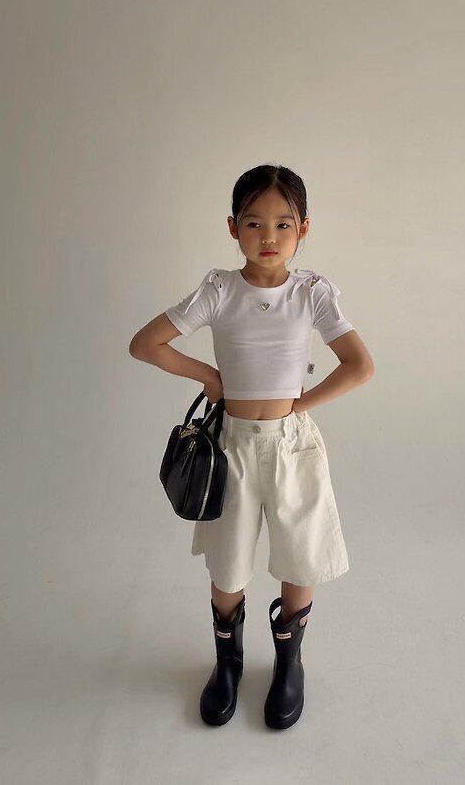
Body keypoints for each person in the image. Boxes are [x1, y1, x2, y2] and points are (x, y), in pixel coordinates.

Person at [129, 165, 374, 729]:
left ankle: (290, 664)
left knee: (301, 553)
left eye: (283, 224)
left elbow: (360, 365)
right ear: (233, 227)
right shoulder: (220, 290)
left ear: (303, 229)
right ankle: (228, 664)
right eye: (254, 223)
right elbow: (147, 344)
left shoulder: (311, 293)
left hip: (293, 448)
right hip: (232, 446)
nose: (269, 236)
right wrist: (209, 377)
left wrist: (300, 404)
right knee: (228, 562)